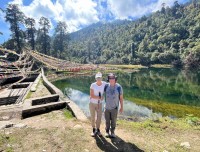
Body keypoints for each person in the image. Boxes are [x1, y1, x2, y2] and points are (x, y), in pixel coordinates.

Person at [104, 73, 123, 138]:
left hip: (114, 108)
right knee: (107, 121)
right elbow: (99, 88)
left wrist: (121, 107)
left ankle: (112, 132)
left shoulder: (119, 87)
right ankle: (107, 132)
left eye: (113, 78)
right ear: (108, 79)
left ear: (115, 79)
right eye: (110, 78)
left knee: (113, 121)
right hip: (106, 108)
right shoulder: (106, 86)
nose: (111, 79)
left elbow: (121, 98)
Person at [89, 72, 106, 137]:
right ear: (96, 78)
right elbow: (92, 95)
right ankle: (93, 129)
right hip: (92, 103)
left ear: (102, 78)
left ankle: (98, 129)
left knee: (99, 117)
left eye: (100, 77)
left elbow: (111, 84)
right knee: (93, 117)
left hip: (100, 104)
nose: (99, 79)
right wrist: (99, 97)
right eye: (97, 77)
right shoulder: (93, 85)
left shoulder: (104, 84)